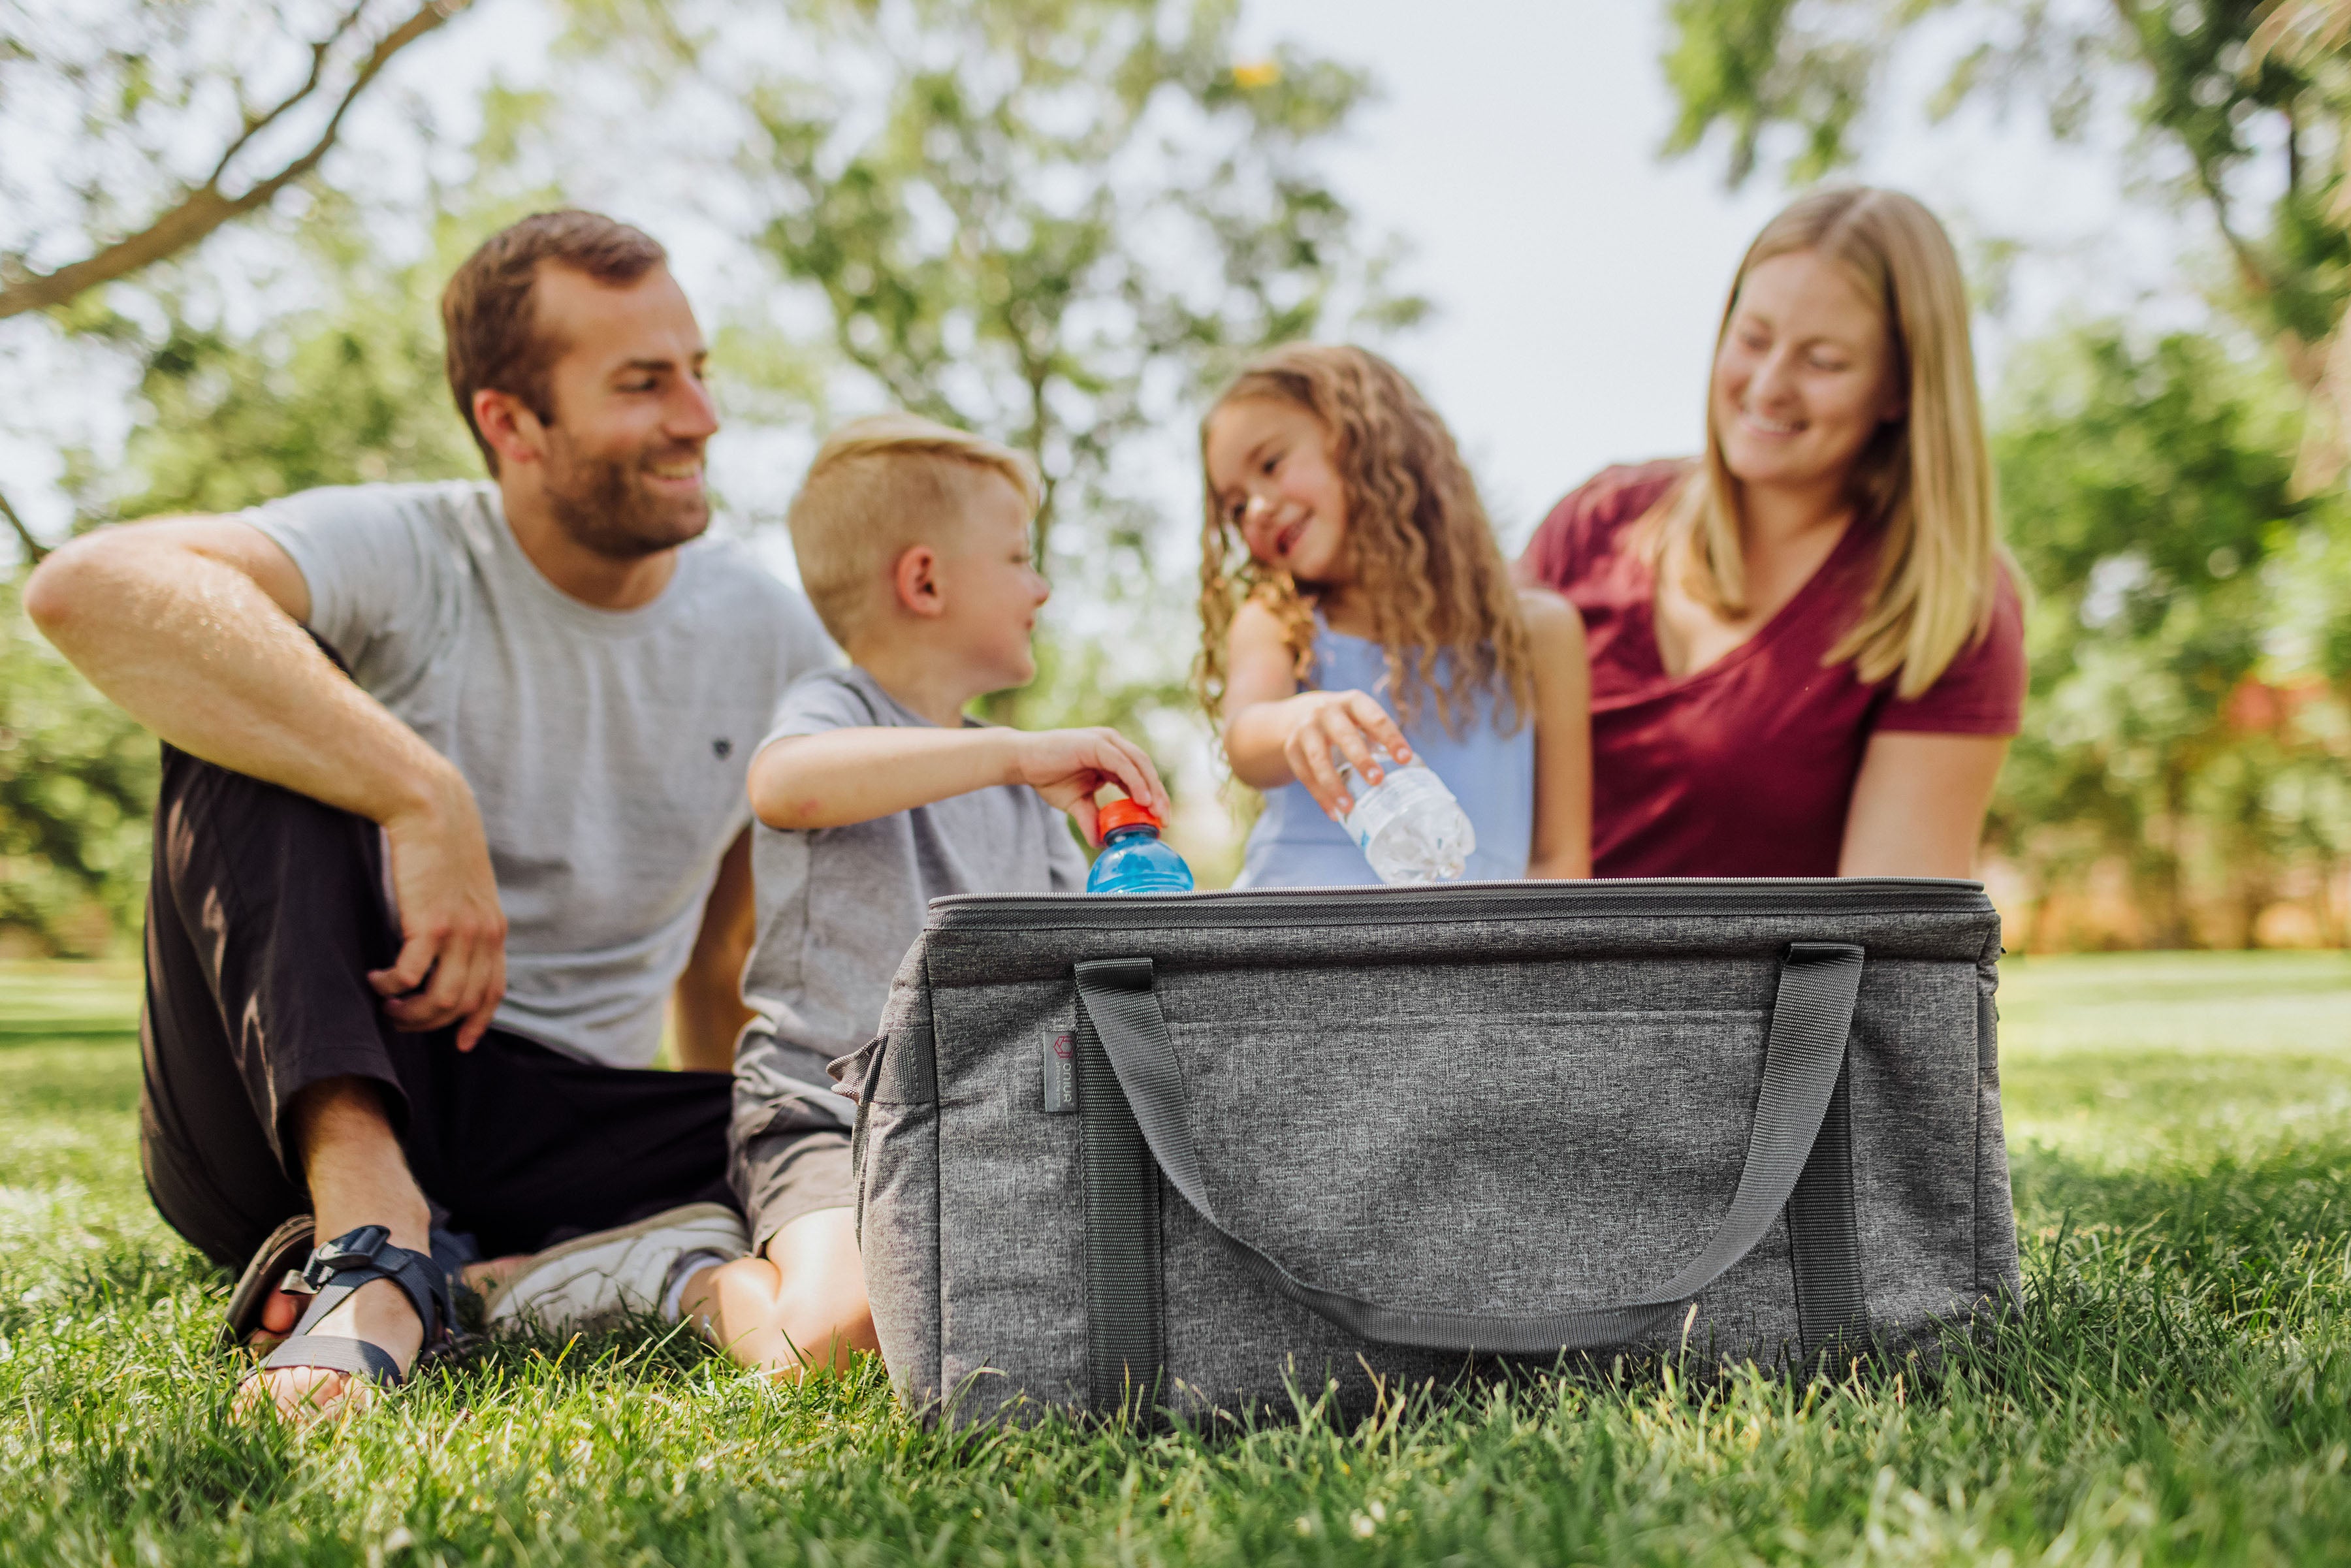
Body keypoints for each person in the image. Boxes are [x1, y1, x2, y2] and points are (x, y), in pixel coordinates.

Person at [23, 210, 837, 1420]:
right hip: (288, 1100)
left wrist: (743, 1153)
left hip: (550, 1123)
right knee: (247, 686)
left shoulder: (767, 633)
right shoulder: (406, 549)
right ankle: (375, 1233)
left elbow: (734, 947)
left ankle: (526, 1271)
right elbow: (90, 586)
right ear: (511, 423)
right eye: (643, 383)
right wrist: (420, 790)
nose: (700, 418)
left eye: (698, 372)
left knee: (859, 1109)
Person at [680, 412, 1169, 1375]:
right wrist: (1018, 753)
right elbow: (785, 784)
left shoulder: (1028, 804)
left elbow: (1086, 966)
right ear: (926, 580)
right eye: (1022, 558)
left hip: (979, 1131)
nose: (1043, 586)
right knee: (829, 1339)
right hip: (822, 1114)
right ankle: (680, 1268)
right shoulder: (839, 709)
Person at [1517, 187, 2025, 879]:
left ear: (1900, 389)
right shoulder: (1595, 524)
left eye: (1823, 362)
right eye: (1753, 338)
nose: (1768, 385)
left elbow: (1890, 945)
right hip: (1533, 985)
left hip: (1769, 993)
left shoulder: (1941, 605)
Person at [1196, 344, 1590, 886]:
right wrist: (1296, 718)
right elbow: (1245, 736)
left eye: (1271, 464)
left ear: (1359, 440)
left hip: (1472, 963)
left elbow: (1560, 861)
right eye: (1236, 506)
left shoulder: (1540, 633)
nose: (1257, 510)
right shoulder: (1280, 620)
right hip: (1294, 951)